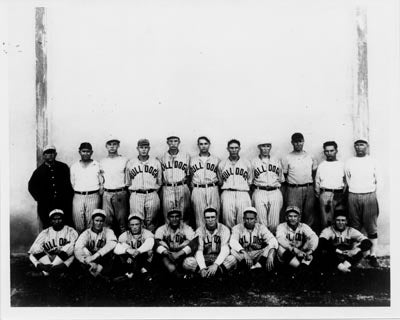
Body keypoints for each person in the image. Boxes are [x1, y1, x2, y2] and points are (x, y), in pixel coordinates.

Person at [344, 139, 380, 267]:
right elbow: (348, 178)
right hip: (353, 195)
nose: (359, 147)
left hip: (369, 195)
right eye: (357, 145)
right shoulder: (349, 162)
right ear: (355, 147)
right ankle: (355, 256)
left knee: (371, 227)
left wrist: (370, 193)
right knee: (354, 226)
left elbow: (377, 179)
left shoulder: (373, 161)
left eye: (362, 145)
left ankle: (373, 255)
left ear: (367, 146)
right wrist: (354, 191)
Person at [28, 145, 74, 228]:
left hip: (63, 204)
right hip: (46, 206)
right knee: (48, 227)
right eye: (48, 153)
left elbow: (70, 184)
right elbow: (31, 186)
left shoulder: (63, 167)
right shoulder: (39, 171)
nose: (50, 155)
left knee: (66, 225)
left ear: (55, 154)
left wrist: (68, 198)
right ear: (44, 155)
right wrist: (41, 199)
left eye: (52, 153)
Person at [27, 209, 78, 277]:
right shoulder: (45, 232)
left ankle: (46, 272)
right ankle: (55, 270)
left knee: (72, 249)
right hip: (48, 258)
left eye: (59, 218)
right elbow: (33, 250)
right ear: (51, 221)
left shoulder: (70, 231)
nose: (57, 221)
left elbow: (74, 248)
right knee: (34, 250)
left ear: (63, 219)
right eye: (54, 219)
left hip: (64, 259)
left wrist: (60, 252)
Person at [126, 139, 162, 233]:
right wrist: (134, 193)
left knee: (152, 221)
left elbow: (159, 181)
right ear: (137, 148)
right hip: (136, 194)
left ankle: (151, 242)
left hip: (152, 193)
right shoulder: (131, 162)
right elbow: (128, 182)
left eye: (146, 147)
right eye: (141, 147)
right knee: (137, 220)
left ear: (149, 148)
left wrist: (153, 192)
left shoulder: (155, 162)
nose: (144, 150)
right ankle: (139, 243)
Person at [188, 207, 236, 278]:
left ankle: (211, 274)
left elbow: (225, 249)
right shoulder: (200, 231)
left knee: (232, 259)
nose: (210, 220)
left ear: (216, 218)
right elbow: (199, 251)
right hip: (205, 258)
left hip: (218, 258)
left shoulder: (224, 229)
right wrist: (202, 267)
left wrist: (216, 265)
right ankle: (207, 273)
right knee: (187, 262)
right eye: (208, 217)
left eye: (212, 217)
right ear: (204, 219)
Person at [282, 132, 318, 228]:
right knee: (293, 213)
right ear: (292, 143)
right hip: (294, 189)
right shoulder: (287, 157)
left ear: (303, 142)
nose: (298, 144)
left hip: (308, 188)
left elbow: (314, 173)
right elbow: (284, 175)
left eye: (300, 141)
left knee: (309, 213)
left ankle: (307, 235)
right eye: (296, 142)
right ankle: (294, 236)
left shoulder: (310, 156)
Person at [230, 207, 278, 272]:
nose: (249, 221)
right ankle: (250, 269)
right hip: (243, 254)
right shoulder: (237, 228)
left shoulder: (261, 227)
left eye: (251, 219)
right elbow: (233, 241)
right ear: (243, 219)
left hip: (257, 253)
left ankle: (256, 266)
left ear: (256, 219)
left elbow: (272, 240)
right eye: (247, 219)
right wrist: (244, 252)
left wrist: (270, 255)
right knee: (232, 250)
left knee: (270, 247)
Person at [218, 139, 253, 228]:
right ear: (227, 149)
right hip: (227, 192)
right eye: (231, 148)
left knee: (242, 219)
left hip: (243, 192)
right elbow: (220, 181)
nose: (234, 150)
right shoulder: (222, 163)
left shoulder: (246, 162)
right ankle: (229, 240)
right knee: (227, 219)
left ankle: (240, 240)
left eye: (236, 148)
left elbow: (250, 180)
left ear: (239, 149)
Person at [251, 141, 284, 234]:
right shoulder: (253, 162)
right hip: (260, 190)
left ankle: (273, 244)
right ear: (259, 147)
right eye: (263, 146)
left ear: (270, 147)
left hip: (275, 190)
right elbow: (250, 181)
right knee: (261, 221)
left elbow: (281, 179)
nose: (265, 149)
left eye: (268, 146)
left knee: (274, 222)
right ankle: (263, 243)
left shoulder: (277, 160)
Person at [154, 209, 197, 278]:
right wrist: (167, 253)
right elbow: (156, 243)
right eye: (172, 216)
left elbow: (194, 243)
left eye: (177, 216)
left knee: (191, 262)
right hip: (167, 255)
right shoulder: (162, 229)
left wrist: (179, 253)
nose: (174, 219)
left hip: (182, 255)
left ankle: (189, 279)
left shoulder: (186, 228)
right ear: (168, 218)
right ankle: (177, 277)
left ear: (180, 217)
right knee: (164, 264)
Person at [70, 142, 103, 233]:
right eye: (83, 151)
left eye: (88, 151)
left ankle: (91, 245)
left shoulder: (97, 165)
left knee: (91, 222)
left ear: (91, 152)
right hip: (78, 196)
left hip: (93, 195)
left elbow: (101, 182)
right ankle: (80, 245)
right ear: (79, 152)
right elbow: (72, 183)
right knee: (78, 222)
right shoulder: (74, 166)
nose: (86, 153)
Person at [74, 209, 117, 278]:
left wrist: (96, 255)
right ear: (92, 221)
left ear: (104, 221)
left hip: (102, 258)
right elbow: (78, 247)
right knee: (82, 250)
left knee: (111, 252)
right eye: (97, 220)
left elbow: (112, 243)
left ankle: (96, 275)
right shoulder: (86, 233)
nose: (99, 223)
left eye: (101, 221)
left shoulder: (108, 231)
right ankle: (97, 276)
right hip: (90, 258)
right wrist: (89, 262)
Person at [100, 137, 129, 236]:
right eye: (109, 144)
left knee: (122, 221)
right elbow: (100, 178)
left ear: (118, 145)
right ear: (106, 146)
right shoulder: (102, 161)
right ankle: (109, 244)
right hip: (107, 193)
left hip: (120, 193)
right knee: (107, 222)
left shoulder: (124, 160)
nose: (112, 147)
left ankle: (124, 244)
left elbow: (128, 178)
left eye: (114, 144)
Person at [189, 136, 221, 228]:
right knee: (199, 215)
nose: (203, 146)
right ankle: (202, 239)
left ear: (209, 145)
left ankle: (215, 238)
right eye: (201, 144)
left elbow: (219, 177)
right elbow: (190, 176)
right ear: (198, 145)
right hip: (198, 188)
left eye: (205, 144)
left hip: (212, 187)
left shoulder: (216, 159)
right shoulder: (192, 159)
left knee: (215, 213)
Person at [158, 136, 191, 222]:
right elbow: (159, 176)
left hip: (182, 186)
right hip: (167, 187)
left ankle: (184, 234)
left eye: (175, 141)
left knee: (184, 214)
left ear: (179, 142)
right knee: (168, 214)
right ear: (167, 143)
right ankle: (169, 234)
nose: (173, 143)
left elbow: (189, 175)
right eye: (171, 141)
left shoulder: (186, 156)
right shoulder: (161, 157)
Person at [113, 214, 154, 282]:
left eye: (137, 224)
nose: (134, 227)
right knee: (121, 250)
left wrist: (138, 251)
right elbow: (116, 248)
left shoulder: (147, 233)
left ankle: (144, 272)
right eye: (132, 225)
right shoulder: (124, 235)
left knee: (150, 251)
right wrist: (128, 251)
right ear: (129, 225)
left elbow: (150, 243)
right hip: (129, 259)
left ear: (141, 224)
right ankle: (128, 273)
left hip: (142, 258)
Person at [315, 141, 346, 229]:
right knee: (326, 221)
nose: (329, 153)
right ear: (324, 152)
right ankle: (327, 241)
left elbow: (346, 181)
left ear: (336, 151)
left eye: (332, 151)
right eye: (327, 151)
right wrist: (320, 196)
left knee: (340, 220)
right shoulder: (322, 166)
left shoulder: (342, 165)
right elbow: (317, 182)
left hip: (339, 194)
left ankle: (338, 241)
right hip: (325, 194)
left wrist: (342, 194)